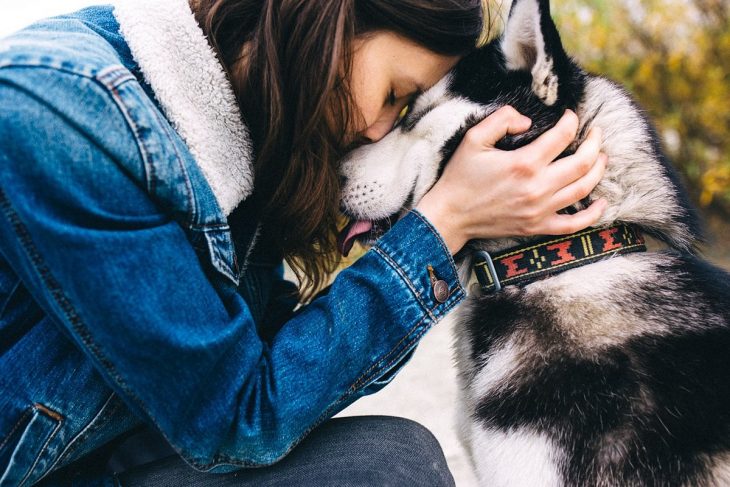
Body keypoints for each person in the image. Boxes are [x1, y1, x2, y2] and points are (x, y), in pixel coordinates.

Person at [0, 0, 607, 485]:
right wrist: (444, 223)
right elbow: (237, 420)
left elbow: (254, 367)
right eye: (395, 94)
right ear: (328, 18)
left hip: (95, 451)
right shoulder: (68, 113)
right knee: (388, 472)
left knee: (391, 458)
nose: (375, 130)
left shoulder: (234, 125)